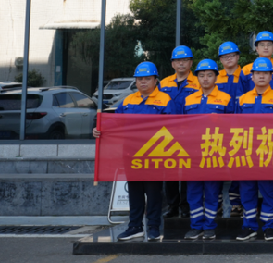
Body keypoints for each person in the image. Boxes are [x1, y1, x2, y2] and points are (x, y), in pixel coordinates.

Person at [94, 62, 182, 243]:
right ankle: (135, 227)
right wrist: (100, 129)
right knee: (134, 192)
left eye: (147, 79)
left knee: (153, 192)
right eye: (140, 79)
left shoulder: (165, 100)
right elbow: (115, 122)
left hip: (154, 154)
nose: (143, 82)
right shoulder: (128, 100)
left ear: (155, 80)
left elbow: (173, 128)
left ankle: (153, 228)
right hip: (132, 153)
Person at [235, 57, 273, 242]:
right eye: (258, 73)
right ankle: (249, 226)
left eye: (265, 73)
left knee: (269, 191)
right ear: (252, 76)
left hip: (269, 152)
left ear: (271, 76)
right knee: (247, 191)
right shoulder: (242, 99)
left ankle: (269, 227)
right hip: (246, 152)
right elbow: (235, 126)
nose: (262, 76)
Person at [182, 59, 235, 241]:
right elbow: (181, 126)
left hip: (215, 152)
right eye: (202, 75)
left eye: (209, 75)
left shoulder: (226, 98)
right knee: (193, 192)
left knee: (213, 191)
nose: (205, 79)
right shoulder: (188, 99)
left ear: (216, 77)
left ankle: (210, 227)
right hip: (193, 153)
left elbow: (233, 127)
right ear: (197, 78)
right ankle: (196, 226)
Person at [159, 45, 200, 219]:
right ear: (172, 64)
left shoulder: (198, 82)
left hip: (190, 134)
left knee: (188, 170)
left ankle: (186, 205)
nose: (181, 63)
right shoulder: (163, 84)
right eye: (177, 60)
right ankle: (172, 205)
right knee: (170, 171)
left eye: (185, 60)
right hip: (168, 134)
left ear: (191, 63)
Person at [217, 41, 246, 217]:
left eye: (232, 56)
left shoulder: (246, 75)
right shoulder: (214, 76)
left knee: (239, 163)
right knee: (217, 163)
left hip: (240, 126)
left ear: (238, 57)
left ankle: (236, 202)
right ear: (220, 59)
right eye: (225, 57)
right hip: (218, 128)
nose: (229, 59)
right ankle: (217, 201)